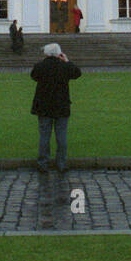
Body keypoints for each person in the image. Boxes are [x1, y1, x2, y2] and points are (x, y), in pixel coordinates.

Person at [30, 42, 82, 173]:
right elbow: (77, 73)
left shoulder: (40, 66)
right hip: (61, 106)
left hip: (44, 106)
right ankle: (61, 163)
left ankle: (43, 163)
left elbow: (34, 76)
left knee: (44, 137)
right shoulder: (64, 66)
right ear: (59, 54)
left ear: (46, 54)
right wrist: (67, 61)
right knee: (61, 137)